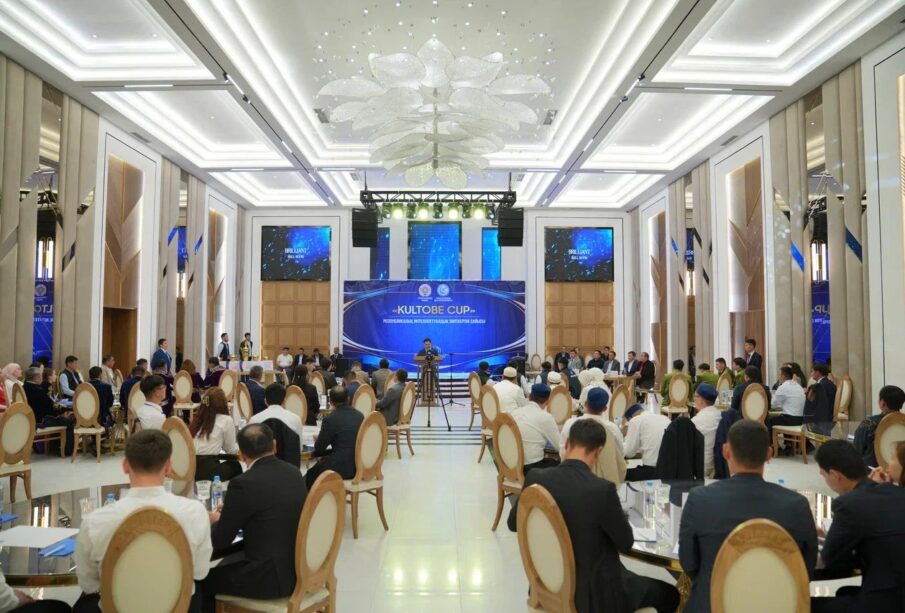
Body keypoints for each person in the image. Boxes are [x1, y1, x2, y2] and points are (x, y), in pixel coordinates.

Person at [508, 419, 679, 613]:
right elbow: (625, 542)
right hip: (594, 599)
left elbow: (513, 524)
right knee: (671, 594)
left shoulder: (535, 478)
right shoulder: (601, 490)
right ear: (598, 452)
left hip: (545, 587)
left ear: (567, 444)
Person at [679, 420, 817, 612]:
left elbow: (689, 562)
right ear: (769, 454)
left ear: (726, 451)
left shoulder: (700, 499)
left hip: (710, 604)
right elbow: (805, 569)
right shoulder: (797, 505)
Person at [75, 430, 211, 613]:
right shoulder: (195, 512)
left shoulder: (95, 522)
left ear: (125, 466)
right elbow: (200, 572)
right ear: (169, 467)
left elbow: (88, 584)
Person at [202, 424, 307, 613]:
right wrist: (236, 510)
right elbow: (270, 513)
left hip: (270, 578)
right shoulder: (294, 472)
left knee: (201, 580)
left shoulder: (243, 484)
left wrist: (218, 519)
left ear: (241, 454)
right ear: (274, 445)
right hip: (301, 568)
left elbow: (221, 540)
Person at [812, 440, 905, 612]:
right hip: (893, 588)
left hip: (887, 602)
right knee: (845, 592)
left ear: (835, 475)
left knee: (807, 603)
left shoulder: (849, 504)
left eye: (823, 475)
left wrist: (831, 539)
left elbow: (830, 560)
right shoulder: (895, 492)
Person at [561, 387, 625, 483]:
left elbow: (562, 452)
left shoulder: (570, 424)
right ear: (605, 408)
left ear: (585, 403)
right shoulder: (612, 428)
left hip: (573, 479)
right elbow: (621, 454)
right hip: (604, 482)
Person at [305, 386, 364, 488]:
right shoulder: (360, 416)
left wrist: (318, 439)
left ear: (331, 401)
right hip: (359, 465)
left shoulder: (330, 419)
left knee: (310, 475)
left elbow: (319, 448)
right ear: (348, 398)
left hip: (341, 467)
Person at [189, 387, 241, 482]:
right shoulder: (226, 420)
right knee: (236, 466)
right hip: (207, 469)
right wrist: (241, 447)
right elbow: (231, 450)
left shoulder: (197, 419)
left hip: (190, 468)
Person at [23, 366, 75, 455]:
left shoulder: (23, 388)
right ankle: (67, 451)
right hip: (40, 421)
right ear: (37, 378)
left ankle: (54, 446)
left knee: (62, 418)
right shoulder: (39, 391)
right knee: (69, 422)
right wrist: (62, 411)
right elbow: (50, 408)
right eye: (41, 376)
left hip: (28, 419)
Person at [511, 384, 560, 473]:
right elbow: (559, 446)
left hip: (510, 464)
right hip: (531, 469)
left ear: (529, 397)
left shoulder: (514, 413)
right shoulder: (545, 417)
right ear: (548, 401)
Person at [853, 384, 905, 466]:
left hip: (872, 471)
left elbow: (856, 451)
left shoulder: (869, 422)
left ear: (882, 403)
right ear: (901, 405)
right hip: (900, 472)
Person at [623, 403, 670, 482]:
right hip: (669, 470)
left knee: (622, 473)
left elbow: (629, 453)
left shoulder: (635, 420)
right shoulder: (664, 418)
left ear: (630, 417)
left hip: (651, 471)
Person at [690, 384, 722, 476]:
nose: (694, 399)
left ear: (701, 400)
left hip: (702, 466)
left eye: (695, 396)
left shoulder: (696, 421)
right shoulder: (720, 415)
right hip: (717, 465)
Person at [767, 365, 806, 441]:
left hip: (790, 420)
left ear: (783, 375)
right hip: (801, 420)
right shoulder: (798, 386)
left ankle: (771, 445)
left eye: (780, 375)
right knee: (782, 416)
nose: (779, 377)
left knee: (769, 421)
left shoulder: (783, 387)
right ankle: (788, 443)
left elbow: (773, 405)